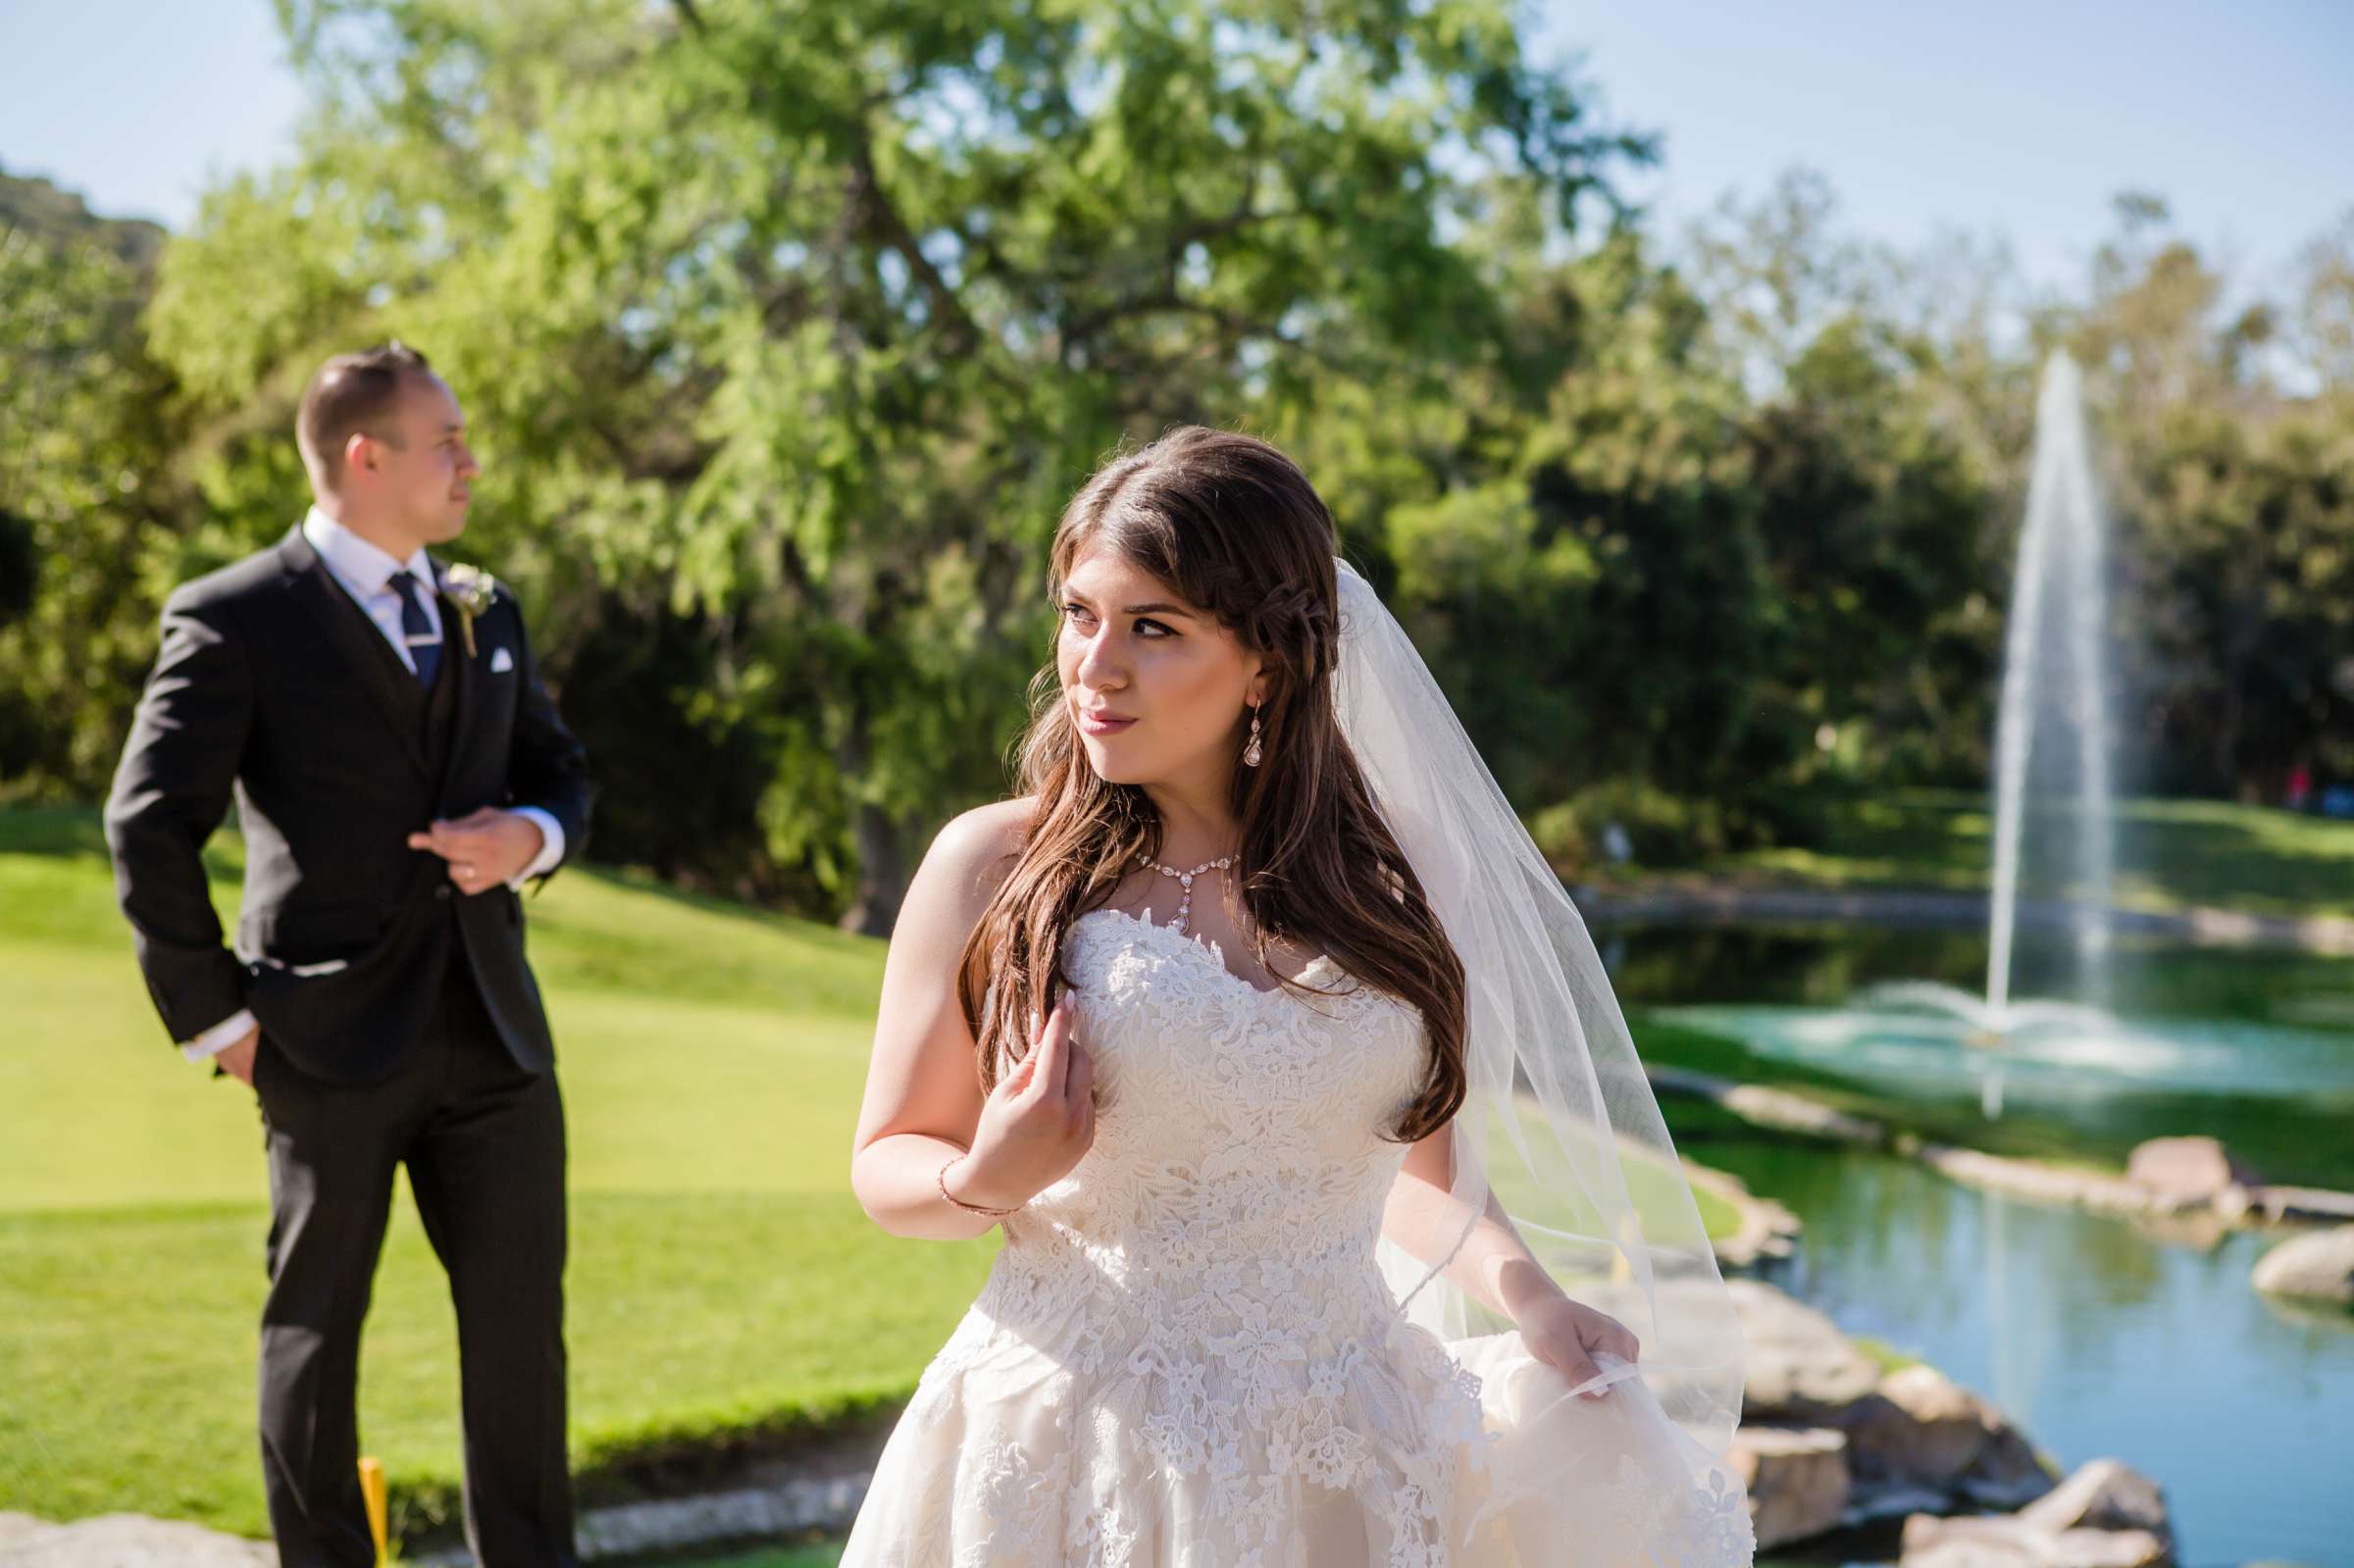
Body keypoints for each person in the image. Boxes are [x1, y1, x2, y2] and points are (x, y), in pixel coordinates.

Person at [844, 427, 1753, 1565]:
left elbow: (1413, 1167)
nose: (1096, 666)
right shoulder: (993, 867)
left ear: (1269, 659)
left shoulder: (1398, 875)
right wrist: (984, 1177)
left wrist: (1531, 1296)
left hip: (1345, 1448)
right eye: (1082, 615)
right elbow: (886, 1162)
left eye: (1154, 629)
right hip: (1076, 1443)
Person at [103, 343, 594, 1568]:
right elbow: (145, 828)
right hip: (320, 1041)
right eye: (447, 441)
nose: (469, 460)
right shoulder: (234, 617)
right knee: (314, 1337)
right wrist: (221, 1024)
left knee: (523, 1345)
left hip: (495, 1035)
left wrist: (527, 837)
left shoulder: (484, 604)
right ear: (365, 457)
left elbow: (562, 776)